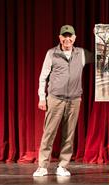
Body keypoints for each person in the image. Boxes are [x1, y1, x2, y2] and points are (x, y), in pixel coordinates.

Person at [33, 25, 92, 177]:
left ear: (74, 38)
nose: (67, 39)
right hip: (55, 99)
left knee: (69, 134)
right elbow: (43, 77)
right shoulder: (52, 53)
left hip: (74, 100)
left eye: (70, 36)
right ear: (60, 38)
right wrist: (42, 97)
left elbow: (101, 54)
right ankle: (42, 166)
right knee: (49, 133)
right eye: (64, 36)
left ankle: (62, 166)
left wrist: (99, 35)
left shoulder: (82, 54)